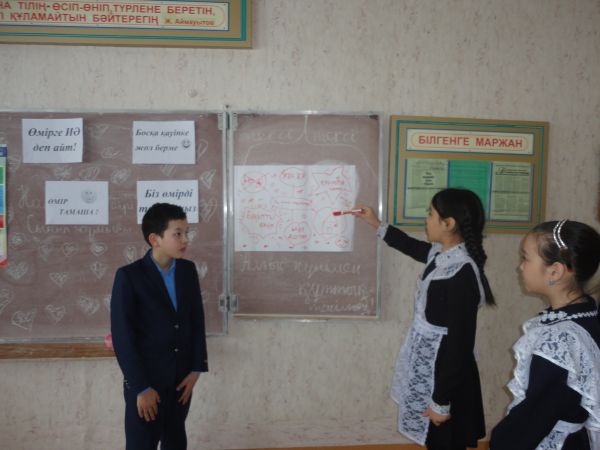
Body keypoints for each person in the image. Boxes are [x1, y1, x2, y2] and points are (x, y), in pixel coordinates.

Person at [354, 188, 494, 450]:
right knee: (437, 441)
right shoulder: (442, 255)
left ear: (448, 223)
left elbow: (459, 344)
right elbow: (412, 246)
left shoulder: (461, 273)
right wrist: (376, 223)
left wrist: (441, 402)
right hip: (434, 368)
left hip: (448, 377)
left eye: (430, 214)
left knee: (446, 440)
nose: (426, 220)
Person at [490, 220, 600, 450]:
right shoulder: (588, 313)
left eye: (525, 258)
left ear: (555, 271)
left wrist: (499, 441)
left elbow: (533, 419)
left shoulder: (558, 341)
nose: (521, 267)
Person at [111, 203, 208, 450]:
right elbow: (123, 337)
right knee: (141, 443)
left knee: (176, 442)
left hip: (181, 381)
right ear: (155, 239)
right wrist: (141, 388)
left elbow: (196, 319)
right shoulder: (129, 276)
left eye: (186, 233)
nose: (185, 240)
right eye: (178, 234)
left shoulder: (187, 270)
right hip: (147, 382)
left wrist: (196, 368)